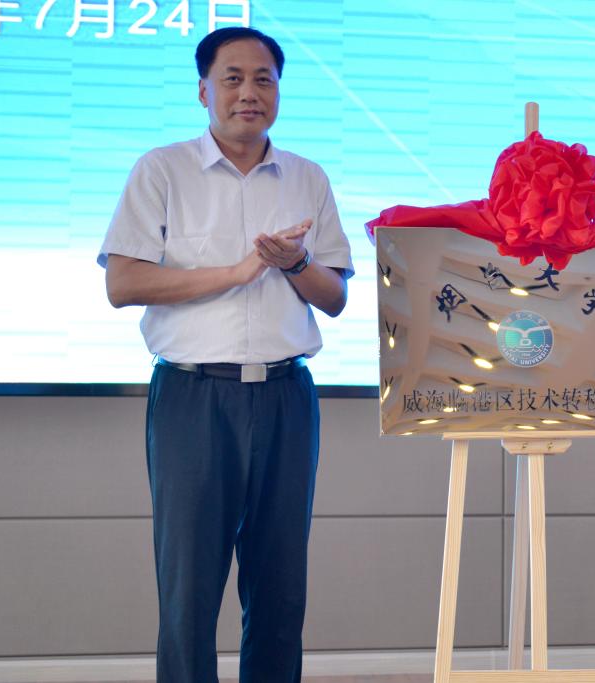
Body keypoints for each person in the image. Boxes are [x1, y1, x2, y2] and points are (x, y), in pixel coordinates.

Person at [98, 26, 353, 682]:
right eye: (232, 78)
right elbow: (123, 283)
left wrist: (293, 262)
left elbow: (334, 297)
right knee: (189, 586)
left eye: (264, 79)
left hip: (286, 395)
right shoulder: (162, 169)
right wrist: (235, 273)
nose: (249, 93)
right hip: (194, 396)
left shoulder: (308, 177)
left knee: (280, 585)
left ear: (279, 91)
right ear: (203, 90)